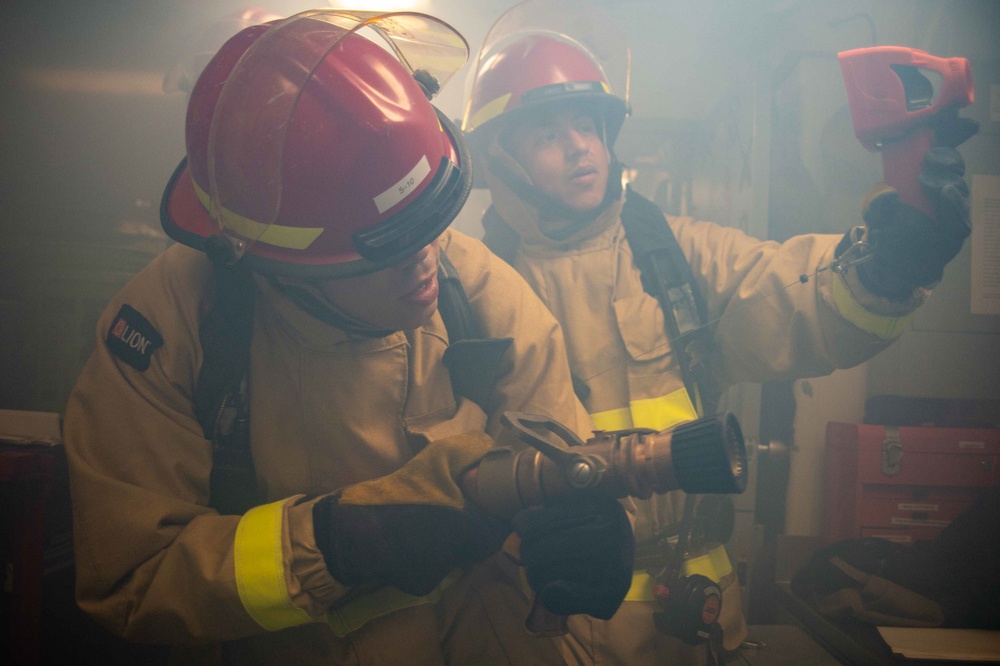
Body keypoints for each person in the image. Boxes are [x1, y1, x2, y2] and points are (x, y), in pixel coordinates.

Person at [62, 10, 634, 665]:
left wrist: (589, 520)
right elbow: (134, 580)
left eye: (434, 218)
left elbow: (566, 468)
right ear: (280, 265)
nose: (428, 257)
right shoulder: (173, 326)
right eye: (386, 246)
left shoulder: (483, 297)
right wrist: (329, 544)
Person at [461, 1, 978, 663]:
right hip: (551, 622)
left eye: (588, 124)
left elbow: (789, 288)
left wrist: (889, 263)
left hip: (698, 618)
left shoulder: (672, 253)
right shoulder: (473, 289)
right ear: (499, 158)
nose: (579, 146)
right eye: (546, 134)